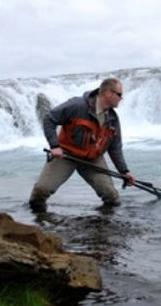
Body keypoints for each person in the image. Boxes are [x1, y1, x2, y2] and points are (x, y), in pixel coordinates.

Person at [29, 77, 136, 212]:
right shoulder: (76, 105)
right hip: (66, 155)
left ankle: (104, 227)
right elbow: (49, 119)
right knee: (41, 191)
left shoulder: (113, 119)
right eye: (119, 95)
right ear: (108, 93)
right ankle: (37, 220)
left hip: (92, 160)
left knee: (112, 197)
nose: (122, 98)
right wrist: (54, 146)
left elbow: (115, 148)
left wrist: (124, 172)